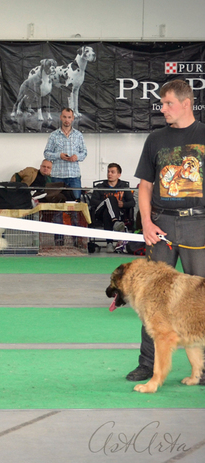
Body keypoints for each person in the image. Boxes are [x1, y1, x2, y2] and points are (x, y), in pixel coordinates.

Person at [128, 79, 205, 384]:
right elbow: (145, 185)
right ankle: (147, 364)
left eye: (168, 103)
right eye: (162, 104)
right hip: (161, 225)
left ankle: (202, 369)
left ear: (187, 103)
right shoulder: (155, 139)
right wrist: (146, 222)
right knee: (150, 298)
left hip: (198, 225)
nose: (163, 109)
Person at [43, 108, 87, 199]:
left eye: (69, 117)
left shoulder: (78, 135)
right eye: (65, 117)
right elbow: (46, 153)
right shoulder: (53, 135)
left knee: (75, 205)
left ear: (73, 118)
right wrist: (59, 155)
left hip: (74, 176)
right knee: (56, 205)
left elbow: (84, 153)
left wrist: (77, 156)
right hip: (57, 176)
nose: (67, 120)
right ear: (61, 118)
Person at [89, 163, 135, 232]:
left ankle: (109, 242)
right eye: (108, 172)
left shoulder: (124, 186)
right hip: (100, 212)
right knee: (110, 199)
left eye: (112, 172)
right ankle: (115, 221)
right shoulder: (100, 186)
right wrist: (108, 203)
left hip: (118, 212)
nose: (109, 174)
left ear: (118, 175)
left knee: (107, 212)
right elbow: (93, 201)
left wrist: (123, 204)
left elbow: (132, 202)